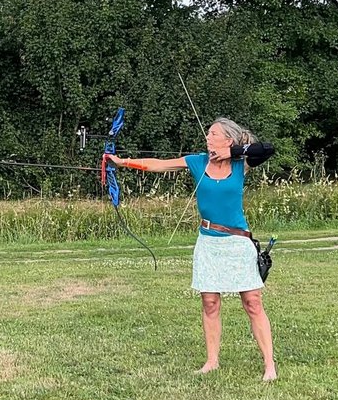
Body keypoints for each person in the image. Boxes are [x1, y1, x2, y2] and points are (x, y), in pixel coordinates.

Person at [112, 119, 278, 381]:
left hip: (237, 242)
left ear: (229, 140)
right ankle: (212, 361)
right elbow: (158, 165)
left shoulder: (241, 163)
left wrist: (232, 154)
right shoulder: (198, 161)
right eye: (209, 134)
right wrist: (123, 162)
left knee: (253, 303)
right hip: (208, 241)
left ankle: (269, 365)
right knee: (210, 303)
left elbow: (267, 149)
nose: (208, 138)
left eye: (214, 135)